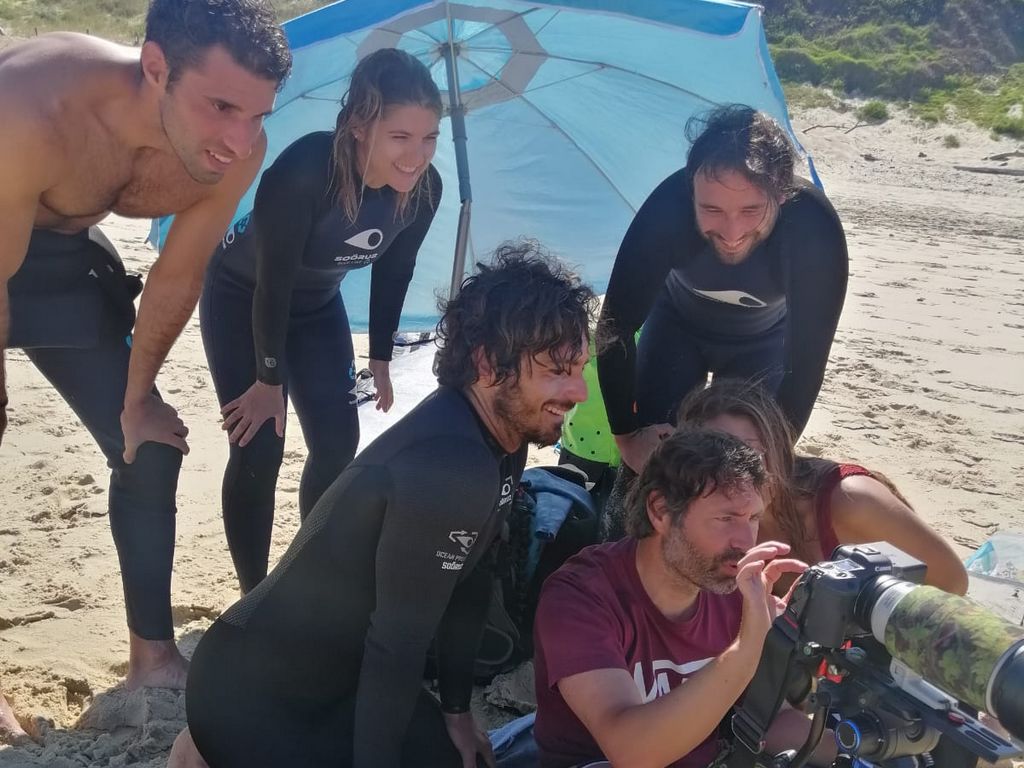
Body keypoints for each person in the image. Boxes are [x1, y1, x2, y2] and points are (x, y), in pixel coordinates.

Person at [167, 243, 595, 768]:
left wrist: (457, 712)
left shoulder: (500, 437)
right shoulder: (451, 467)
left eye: (580, 368)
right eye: (556, 370)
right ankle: (203, 749)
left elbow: (473, 579)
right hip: (254, 697)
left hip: (340, 676)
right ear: (487, 365)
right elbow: (396, 645)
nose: (579, 392)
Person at [0, 0, 290, 736]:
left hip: (61, 257)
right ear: (156, 67)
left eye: (257, 114)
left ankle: (153, 659)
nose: (241, 140)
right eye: (221, 107)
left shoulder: (237, 149)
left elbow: (177, 274)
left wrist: (138, 400)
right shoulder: (31, 111)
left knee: (149, 446)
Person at [200, 47, 443, 593]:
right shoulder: (306, 171)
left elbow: (395, 272)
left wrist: (381, 357)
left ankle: (305, 578)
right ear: (360, 125)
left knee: (337, 442)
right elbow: (272, 283)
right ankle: (254, 597)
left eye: (430, 137)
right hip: (242, 296)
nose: (417, 155)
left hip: (315, 305)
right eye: (401, 137)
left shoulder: (424, 191)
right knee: (260, 444)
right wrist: (268, 381)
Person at [533, 428, 812, 768]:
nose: (745, 541)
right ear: (660, 511)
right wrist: (746, 649)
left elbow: (773, 719)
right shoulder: (579, 597)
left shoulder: (732, 585)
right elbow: (632, 753)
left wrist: (854, 744)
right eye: (725, 518)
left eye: (753, 518)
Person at [596, 104, 849, 476]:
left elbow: (806, 367)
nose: (732, 234)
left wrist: (774, 455)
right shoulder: (667, 210)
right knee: (652, 470)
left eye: (750, 210)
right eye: (712, 209)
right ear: (691, 192)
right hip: (674, 328)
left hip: (762, 344)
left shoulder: (812, 228)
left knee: (741, 471)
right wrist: (628, 437)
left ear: (781, 194)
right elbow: (614, 329)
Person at [676, 379, 968, 595]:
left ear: (778, 447)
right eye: (713, 460)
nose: (736, 473)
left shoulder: (850, 501)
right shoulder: (706, 521)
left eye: (747, 453)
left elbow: (952, 582)